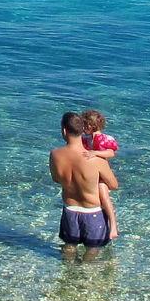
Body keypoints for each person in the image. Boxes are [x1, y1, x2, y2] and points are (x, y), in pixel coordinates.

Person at [49, 111, 118, 259]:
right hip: (93, 213)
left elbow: (56, 179)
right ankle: (84, 278)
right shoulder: (96, 160)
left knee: (69, 249)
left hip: (69, 211)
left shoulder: (55, 154)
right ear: (83, 130)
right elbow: (113, 185)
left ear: (64, 130)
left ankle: (68, 278)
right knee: (92, 251)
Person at [77, 108, 120, 243]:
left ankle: (113, 225)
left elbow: (111, 153)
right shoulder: (85, 139)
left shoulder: (104, 139)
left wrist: (95, 153)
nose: (83, 129)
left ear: (90, 126)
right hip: (91, 173)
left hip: (102, 174)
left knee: (103, 192)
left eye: (84, 126)